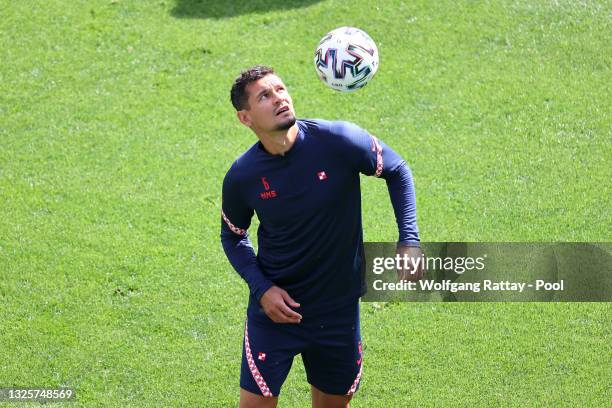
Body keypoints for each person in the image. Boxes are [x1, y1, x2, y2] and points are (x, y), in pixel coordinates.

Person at [221, 65, 423, 408]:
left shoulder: (338, 140)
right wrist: (262, 288)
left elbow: (397, 169)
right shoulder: (243, 176)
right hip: (274, 314)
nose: (279, 98)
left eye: (280, 89)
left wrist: (410, 241)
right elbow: (232, 236)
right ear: (245, 118)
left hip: (337, 311)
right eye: (264, 96)